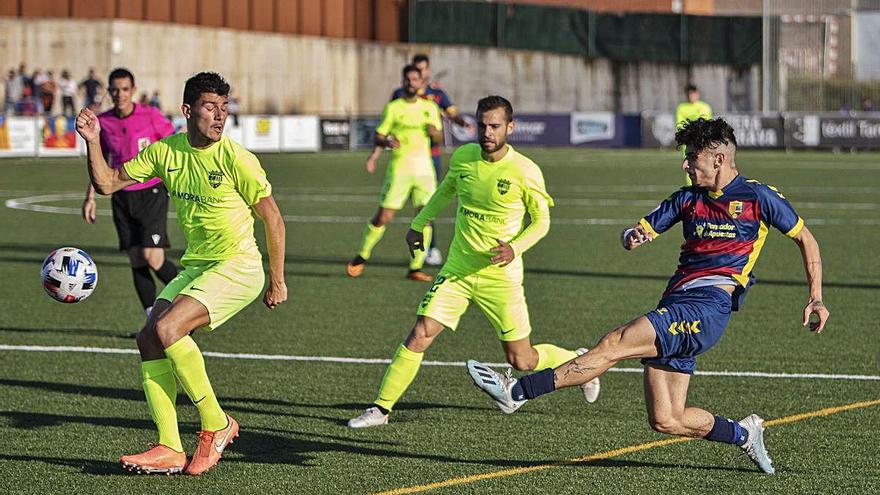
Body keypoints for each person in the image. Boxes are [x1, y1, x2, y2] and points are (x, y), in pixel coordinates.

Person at [467, 117, 829, 475]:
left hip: (708, 308)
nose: (685, 164)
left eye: (692, 157)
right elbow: (639, 227)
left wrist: (816, 297)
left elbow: (805, 238)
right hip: (675, 303)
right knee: (667, 419)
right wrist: (632, 236)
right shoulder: (687, 199)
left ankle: (517, 392)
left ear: (718, 160)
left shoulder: (757, 197)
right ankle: (744, 433)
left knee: (614, 342)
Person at [75, 71, 288, 475]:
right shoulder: (165, 152)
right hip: (199, 265)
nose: (219, 116)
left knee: (169, 329)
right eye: (210, 107)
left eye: (224, 108)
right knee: (148, 338)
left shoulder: (237, 158)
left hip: (239, 266)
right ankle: (170, 447)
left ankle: (217, 424)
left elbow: (273, 220)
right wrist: (92, 141)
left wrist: (276, 279)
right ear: (188, 110)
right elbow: (106, 183)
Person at [348, 95, 600, 429]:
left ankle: (580, 362)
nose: (487, 132)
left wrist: (515, 247)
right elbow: (444, 192)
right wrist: (417, 223)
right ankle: (380, 410)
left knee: (522, 360)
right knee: (420, 333)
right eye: (482, 125)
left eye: (495, 126)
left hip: (501, 277)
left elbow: (541, 222)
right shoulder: (465, 158)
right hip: (458, 270)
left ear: (510, 127)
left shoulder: (525, 170)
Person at [81, 68, 179, 324]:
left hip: (151, 192)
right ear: (109, 92)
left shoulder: (152, 116)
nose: (119, 94)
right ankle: (150, 319)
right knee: (136, 258)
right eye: (114, 89)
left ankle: (188, 307)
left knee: (152, 257)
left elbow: (174, 147)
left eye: (125, 89)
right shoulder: (104, 122)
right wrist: (90, 196)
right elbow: (98, 162)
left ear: (133, 91)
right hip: (121, 196)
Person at [347, 64, 442, 282]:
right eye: (407, 80)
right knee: (384, 216)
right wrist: (388, 140)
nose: (411, 83)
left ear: (421, 82)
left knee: (424, 219)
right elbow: (378, 135)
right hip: (400, 170)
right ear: (403, 82)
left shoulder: (430, 108)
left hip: (425, 172)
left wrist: (434, 132)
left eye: (415, 80)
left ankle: (415, 267)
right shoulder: (394, 108)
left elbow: (438, 139)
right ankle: (361, 256)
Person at [390, 54, 473, 266]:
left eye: (423, 69)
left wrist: (463, 123)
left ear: (427, 71)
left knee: (428, 205)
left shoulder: (436, 94)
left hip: (430, 158)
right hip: (405, 160)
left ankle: (431, 247)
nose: (420, 73)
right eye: (416, 69)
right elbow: (390, 119)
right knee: (396, 207)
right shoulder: (400, 94)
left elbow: (452, 112)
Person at [676, 84, 712, 185]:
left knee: (704, 164)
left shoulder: (705, 107)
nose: (691, 96)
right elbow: (680, 124)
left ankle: (705, 185)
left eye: (693, 93)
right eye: (689, 94)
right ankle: (691, 187)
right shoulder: (681, 108)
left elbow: (707, 123)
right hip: (688, 142)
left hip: (702, 141)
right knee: (689, 164)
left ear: (697, 94)